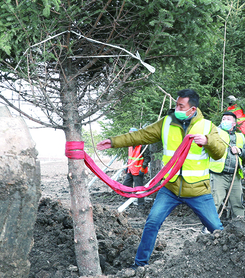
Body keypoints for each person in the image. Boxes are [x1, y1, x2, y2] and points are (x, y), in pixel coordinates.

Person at [96, 89, 226, 267]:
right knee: (152, 223)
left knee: (216, 229)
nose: (177, 108)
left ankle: (230, 262)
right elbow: (140, 135)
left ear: (192, 109)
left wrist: (208, 141)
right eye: (176, 104)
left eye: (181, 105)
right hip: (170, 188)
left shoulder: (207, 127)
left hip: (198, 190)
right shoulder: (166, 122)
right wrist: (113, 141)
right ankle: (140, 265)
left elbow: (220, 153)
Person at [210, 111, 245, 218]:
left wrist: (239, 151)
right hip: (218, 175)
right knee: (215, 202)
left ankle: (240, 226)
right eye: (223, 119)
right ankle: (208, 228)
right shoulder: (215, 132)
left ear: (234, 123)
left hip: (235, 176)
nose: (225, 121)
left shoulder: (240, 137)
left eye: (228, 119)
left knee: (238, 203)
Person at [122, 128, 150, 206]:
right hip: (130, 170)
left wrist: (143, 168)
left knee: (139, 188)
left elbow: (147, 158)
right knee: (126, 185)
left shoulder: (142, 145)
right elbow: (130, 157)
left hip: (138, 171)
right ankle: (127, 202)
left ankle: (141, 204)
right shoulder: (130, 145)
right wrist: (127, 166)